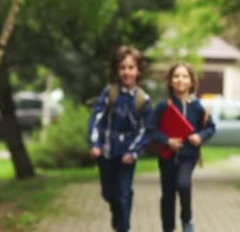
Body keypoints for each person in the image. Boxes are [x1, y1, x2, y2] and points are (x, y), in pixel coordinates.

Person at [87, 45, 153, 232]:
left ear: (138, 71)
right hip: (106, 152)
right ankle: (119, 211)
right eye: (122, 67)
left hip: (126, 156)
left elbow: (146, 130)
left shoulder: (143, 99)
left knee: (123, 194)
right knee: (108, 193)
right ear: (117, 70)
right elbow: (96, 119)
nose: (127, 72)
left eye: (131, 67)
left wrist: (133, 151)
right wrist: (94, 144)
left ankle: (123, 226)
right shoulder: (109, 93)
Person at [147, 62, 216, 232]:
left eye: (185, 76)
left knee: (184, 184)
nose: (180, 80)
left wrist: (200, 136)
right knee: (168, 195)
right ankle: (168, 228)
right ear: (170, 81)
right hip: (167, 157)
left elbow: (210, 127)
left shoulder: (198, 106)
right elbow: (151, 130)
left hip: (188, 156)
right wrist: (167, 141)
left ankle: (187, 220)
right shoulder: (164, 105)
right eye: (176, 76)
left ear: (191, 82)